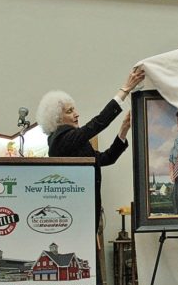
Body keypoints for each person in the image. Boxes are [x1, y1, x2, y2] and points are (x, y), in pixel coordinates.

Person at [36, 66, 145, 231]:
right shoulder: (60, 139)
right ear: (57, 118)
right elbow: (98, 123)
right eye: (70, 111)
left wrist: (123, 130)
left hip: (84, 209)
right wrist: (125, 89)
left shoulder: (73, 141)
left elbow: (106, 159)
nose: (76, 114)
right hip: (74, 211)